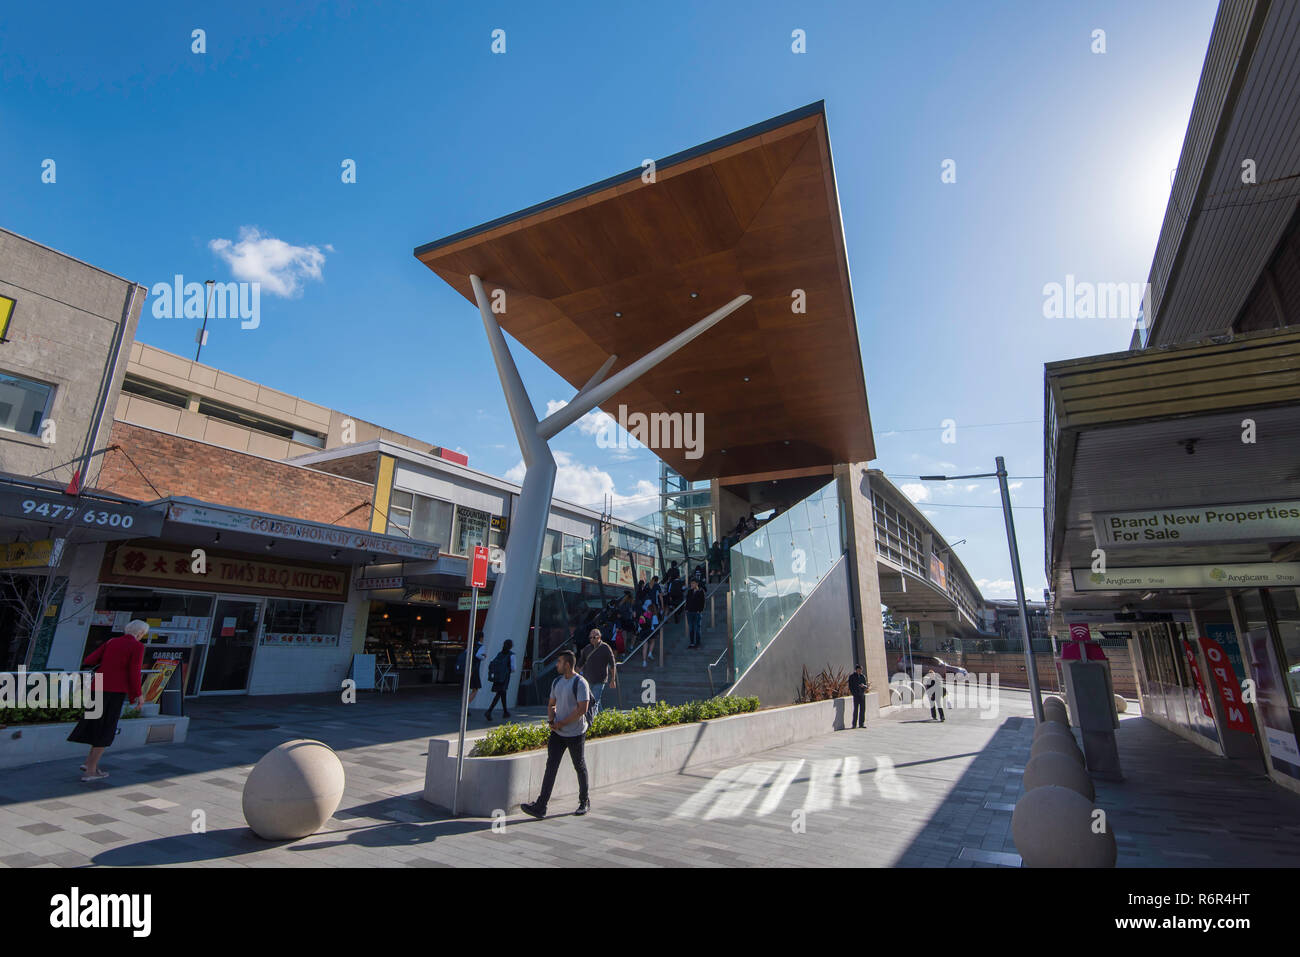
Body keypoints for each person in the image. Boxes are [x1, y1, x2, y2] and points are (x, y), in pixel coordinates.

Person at [68, 619, 147, 782]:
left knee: (96, 724)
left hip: (98, 687)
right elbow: (134, 671)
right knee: (106, 728)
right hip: (115, 691)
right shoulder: (137, 647)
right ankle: (90, 770)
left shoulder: (111, 642)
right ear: (140, 633)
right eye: (143, 634)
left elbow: (90, 660)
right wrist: (138, 695)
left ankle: (89, 763)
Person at [520, 651, 591, 819]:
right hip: (557, 733)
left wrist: (562, 723)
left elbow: (583, 709)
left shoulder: (580, 683)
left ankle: (584, 801)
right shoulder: (557, 682)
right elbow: (551, 704)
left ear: (567, 664)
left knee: (579, 765)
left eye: (559, 662)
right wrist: (552, 721)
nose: (557, 665)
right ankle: (541, 806)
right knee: (551, 767)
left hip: (575, 733)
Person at [578, 627, 616, 721]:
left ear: (599, 637)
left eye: (594, 637)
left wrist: (613, 679)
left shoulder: (605, 648)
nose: (591, 639)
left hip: (600, 679)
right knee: (596, 702)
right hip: (588, 680)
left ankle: (591, 721)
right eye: (590, 637)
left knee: (594, 701)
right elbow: (580, 664)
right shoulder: (587, 649)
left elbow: (612, 664)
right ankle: (603, 719)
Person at [484, 639, 515, 721]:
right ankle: (489, 711)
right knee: (500, 693)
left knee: (502, 693)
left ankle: (505, 712)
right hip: (505, 677)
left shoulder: (499, 654)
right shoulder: (511, 655)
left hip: (497, 677)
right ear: (511, 646)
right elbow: (513, 668)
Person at [685, 579, 706, 648]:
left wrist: (700, 610)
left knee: (697, 628)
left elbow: (703, 602)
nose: (692, 585)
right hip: (690, 612)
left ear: (697, 584)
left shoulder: (701, 591)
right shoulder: (689, 591)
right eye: (691, 583)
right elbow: (687, 601)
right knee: (691, 628)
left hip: (697, 612)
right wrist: (686, 609)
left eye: (693, 583)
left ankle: (697, 643)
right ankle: (692, 643)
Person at [638, 602, 661, 666]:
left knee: (645, 647)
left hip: (644, 632)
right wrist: (657, 633)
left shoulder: (644, 614)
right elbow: (656, 626)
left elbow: (640, 623)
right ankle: (650, 653)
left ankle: (644, 662)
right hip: (651, 632)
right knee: (652, 641)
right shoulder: (654, 616)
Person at [848, 664, 869, 729]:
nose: (860, 671)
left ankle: (861, 723)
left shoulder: (863, 676)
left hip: (862, 695)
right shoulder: (852, 676)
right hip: (856, 695)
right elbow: (850, 686)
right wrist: (853, 693)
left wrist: (864, 686)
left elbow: (866, 686)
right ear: (856, 670)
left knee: (862, 709)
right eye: (859, 670)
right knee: (856, 710)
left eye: (861, 670)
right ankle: (854, 724)